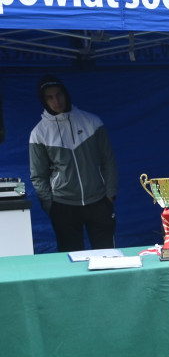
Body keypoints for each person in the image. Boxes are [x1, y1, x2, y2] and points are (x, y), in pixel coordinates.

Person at [28, 75, 118, 252]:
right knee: (70, 259)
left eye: (59, 94)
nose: (56, 101)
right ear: (44, 101)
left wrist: (110, 193)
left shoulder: (92, 122)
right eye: (50, 97)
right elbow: (38, 175)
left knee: (108, 255)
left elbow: (108, 159)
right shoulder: (39, 133)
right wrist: (50, 205)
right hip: (63, 205)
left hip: (98, 200)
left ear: (66, 94)